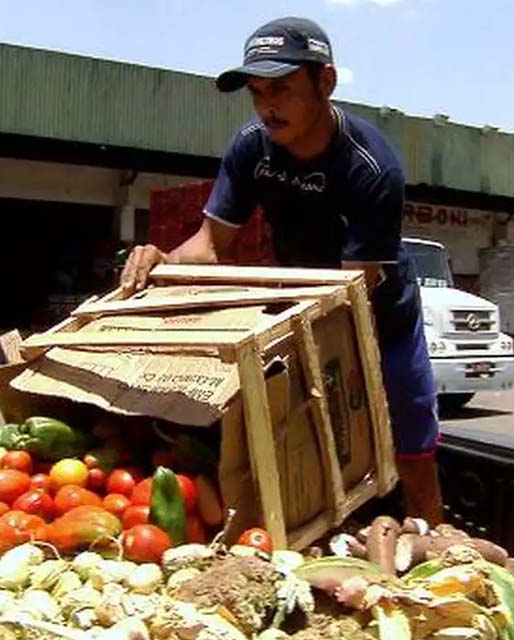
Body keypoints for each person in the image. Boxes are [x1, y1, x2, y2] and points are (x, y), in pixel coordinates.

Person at [121, 16, 443, 524]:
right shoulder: (252, 146)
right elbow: (209, 244)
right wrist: (164, 261)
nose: (267, 106)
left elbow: (358, 283)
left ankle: (436, 543)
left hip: (379, 317)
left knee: (410, 446)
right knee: (301, 446)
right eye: (256, 93)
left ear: (326, 82)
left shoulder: (372, 166)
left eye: (282, 90)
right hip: (300, 307)